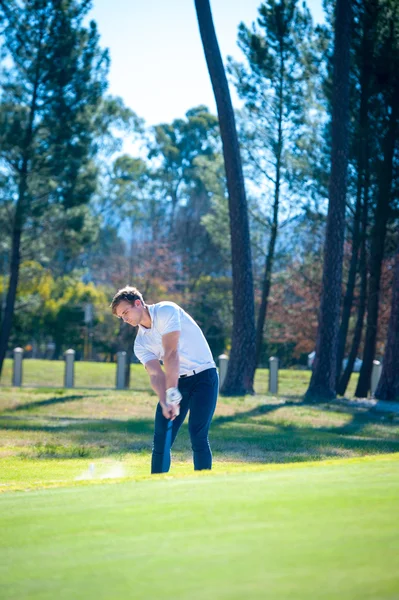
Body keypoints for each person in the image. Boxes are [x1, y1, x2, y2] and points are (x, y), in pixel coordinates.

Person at [111, 286, 219, 474]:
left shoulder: (166, 311)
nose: (125, 319)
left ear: (138, 303)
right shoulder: (140, 344)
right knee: (161, 437)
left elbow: (171, 353)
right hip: (176, 380)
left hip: (204, 377)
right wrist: (165, 400)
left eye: (126, 312)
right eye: (121, 317)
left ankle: (204, 484)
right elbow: (155, 374)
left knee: (197, 433)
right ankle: (156, 488)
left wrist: (171, 392)